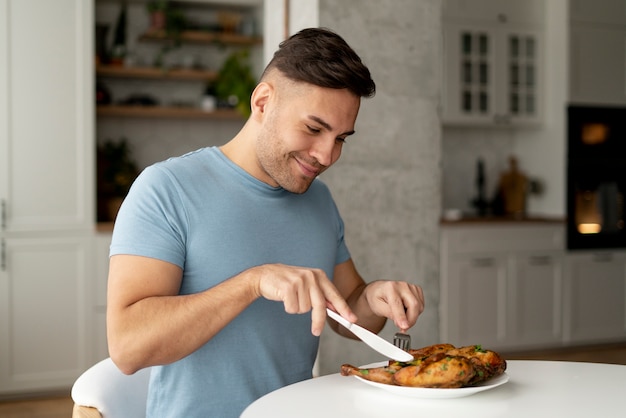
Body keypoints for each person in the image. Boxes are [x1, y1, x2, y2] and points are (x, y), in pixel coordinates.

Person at [106, 27, 425, 418]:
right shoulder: (167, 189)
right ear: (262, 102)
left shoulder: (318, 199)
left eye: (342, 138)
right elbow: (127, 347)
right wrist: (253, 282)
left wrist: (374, 296)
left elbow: (347, 313)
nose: (326, 155)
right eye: (313, 128)